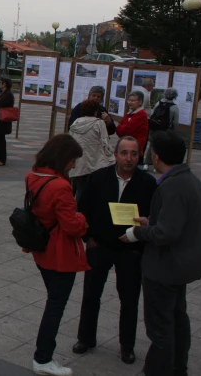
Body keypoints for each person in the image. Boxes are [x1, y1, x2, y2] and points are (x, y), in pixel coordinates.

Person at [119, 131, 201, 376]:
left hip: (165, 268)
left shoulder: (173, 186)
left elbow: (167, 233)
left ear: (155, 156)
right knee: (178, 319)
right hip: (179, 266)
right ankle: (178, 368)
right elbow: (174, 222)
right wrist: (152, 221)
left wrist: (138, 232)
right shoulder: (188, 179)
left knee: (160, 328)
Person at [73, 136, 157, 365]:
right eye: (124, 153)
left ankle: (126, 346)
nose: (129, 158)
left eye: (133, 153)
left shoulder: (148, 183)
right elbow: (82, 209)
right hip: (99, 246)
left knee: (129, 299)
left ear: (139, 156)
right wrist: (87, 238)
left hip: (130, 250)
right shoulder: (99, 178)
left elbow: (155, 216)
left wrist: (146, 225)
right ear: (115, 154)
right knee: (91, 294)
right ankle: (86, 337)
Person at [27, 134, 88, 376]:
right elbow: (72, 225)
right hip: (60, 254)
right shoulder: (61, 186)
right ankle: (43, 358)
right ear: (63, 158)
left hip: (41, 250)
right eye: (72, 160)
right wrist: (84, 218)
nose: (73, 165)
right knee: (55, 306)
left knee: (54, 301)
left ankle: (43, 357)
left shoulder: (33, 175)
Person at [68, 99, 115, 197]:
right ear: (96, 111)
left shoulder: (76, 123)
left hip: (78, 162)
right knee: (90, 192)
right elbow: (105, 143)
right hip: (95, 161)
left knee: (76, 190)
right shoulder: (99, 123)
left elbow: (70, 141)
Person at [144, 87, 180, 170]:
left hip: (154, 128)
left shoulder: (158, 103)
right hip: (165, 129)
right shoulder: (174, 107)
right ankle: (158, 165)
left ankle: (146, 163)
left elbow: (153, 114)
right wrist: (173, 132)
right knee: (162, 147)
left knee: (152, 146)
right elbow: (175, 122)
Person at [116, 91, 149, 162]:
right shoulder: (130, 113)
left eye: (133, 100)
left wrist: (122, 126)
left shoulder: (141, 114)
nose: (130, 102)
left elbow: (125, 131)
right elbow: (118, 130)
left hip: (134, 149)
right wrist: (122, 126)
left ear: (140, 102)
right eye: (129, 100)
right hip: (127, 147)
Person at [0, 76, 15, 167]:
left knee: (1, 139)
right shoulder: (0, 92)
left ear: (4, 84)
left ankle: (1, 159)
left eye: (0, 82)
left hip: (3, 120)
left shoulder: (8, 94)